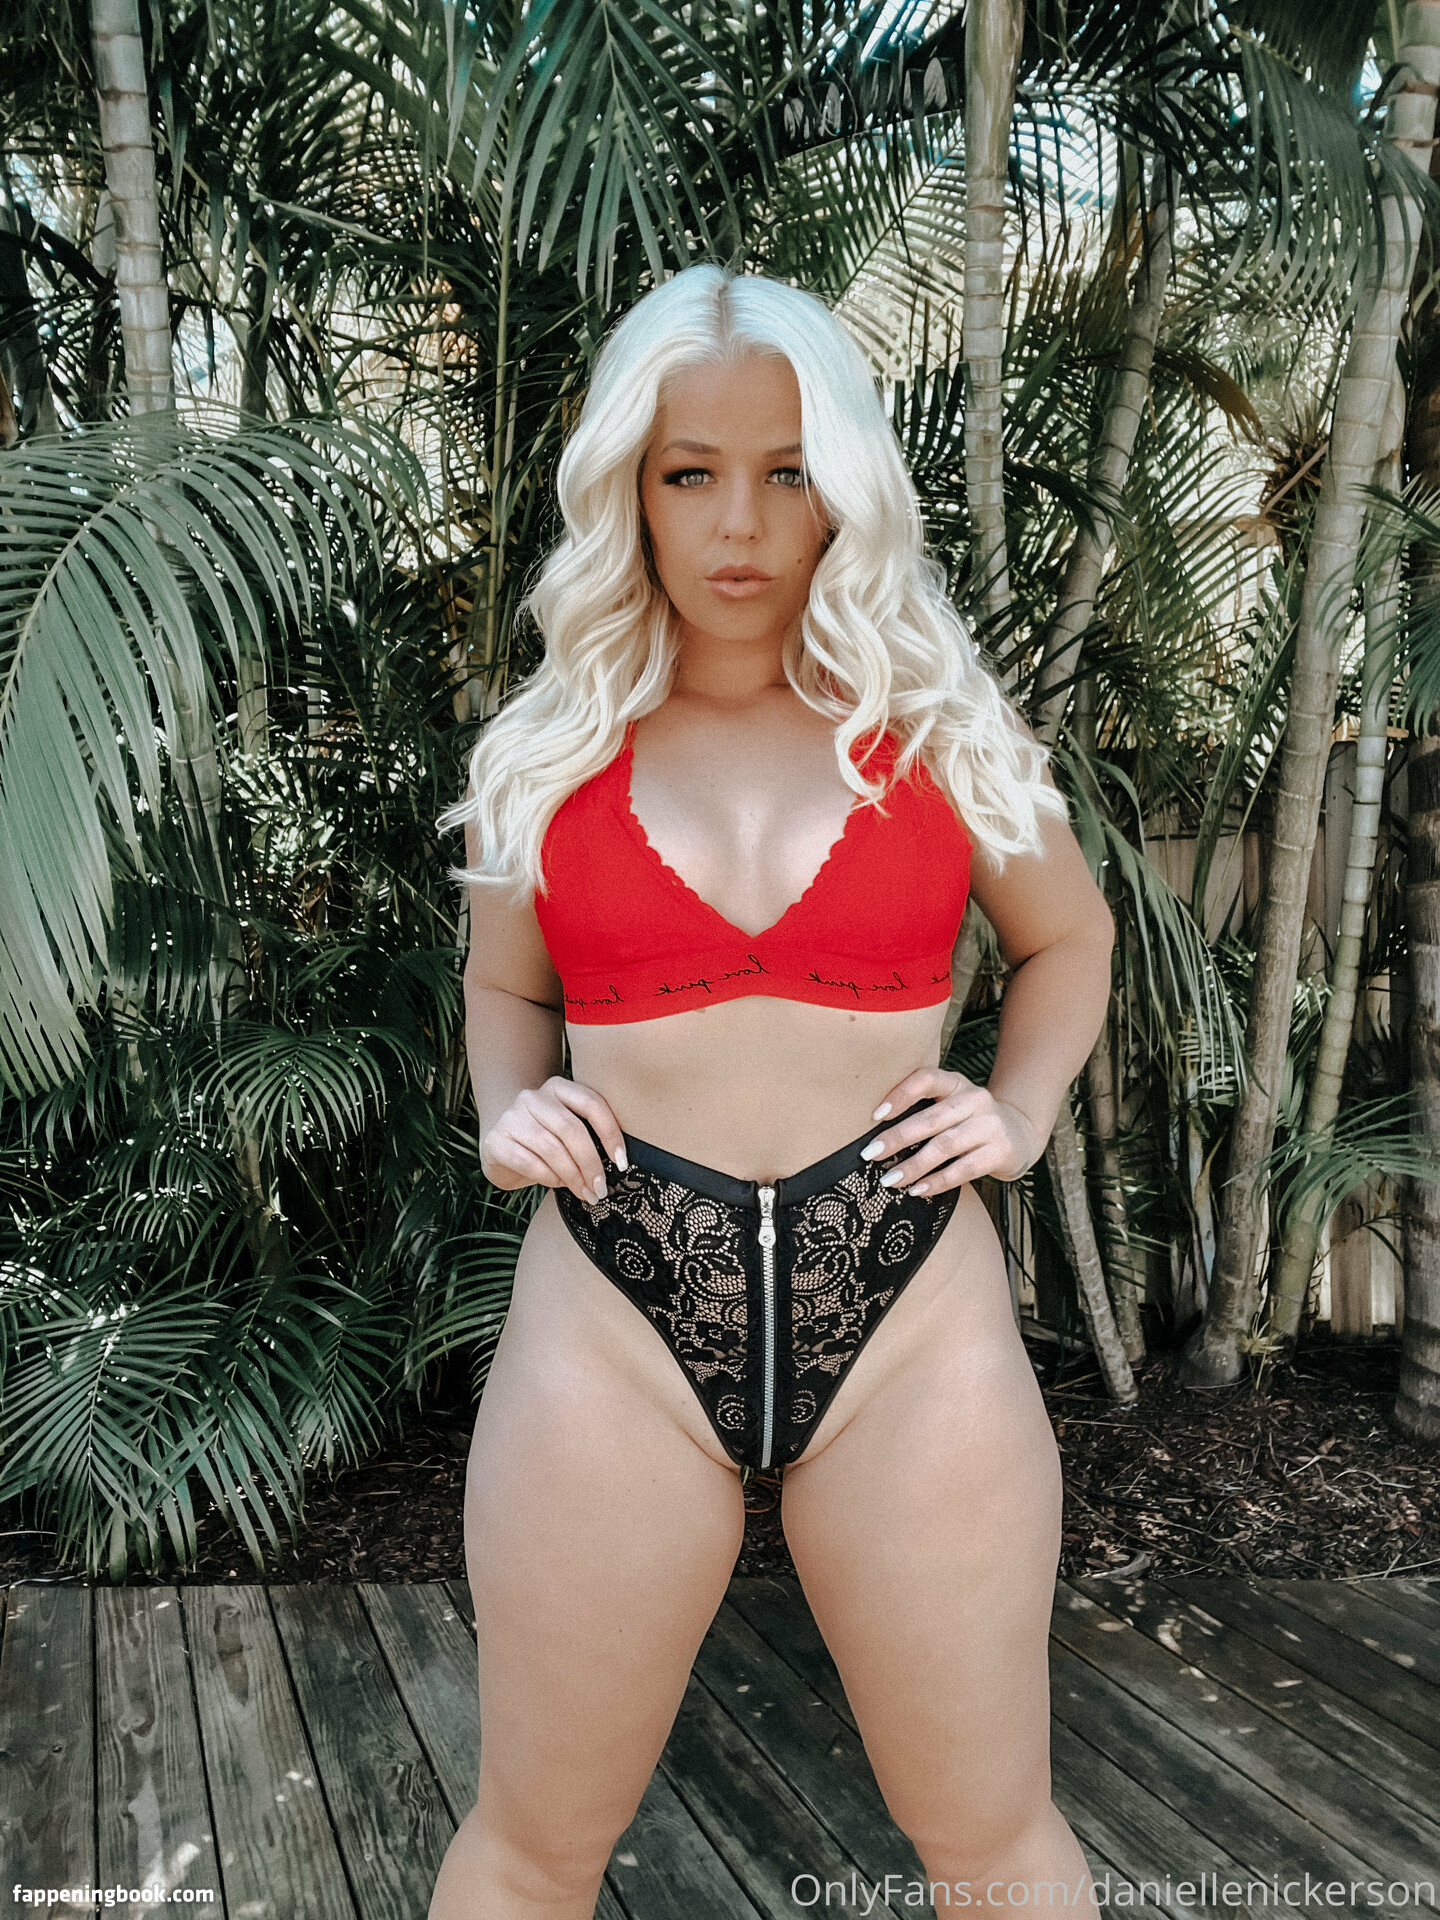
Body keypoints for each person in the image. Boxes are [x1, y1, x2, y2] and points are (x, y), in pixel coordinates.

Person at [429, 263, 1114, 1920]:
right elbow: (504, 987)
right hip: (614, 1309)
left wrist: (1019, 1114)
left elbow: (1072, 938)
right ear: (632, 489)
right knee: (531, 1850)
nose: (738, 522)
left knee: (993, 1846)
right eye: (690, 474)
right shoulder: (552, 749)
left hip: (910, 1316)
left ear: (845, 486)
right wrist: (507, 1111)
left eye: (787, 471)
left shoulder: (938, 730)